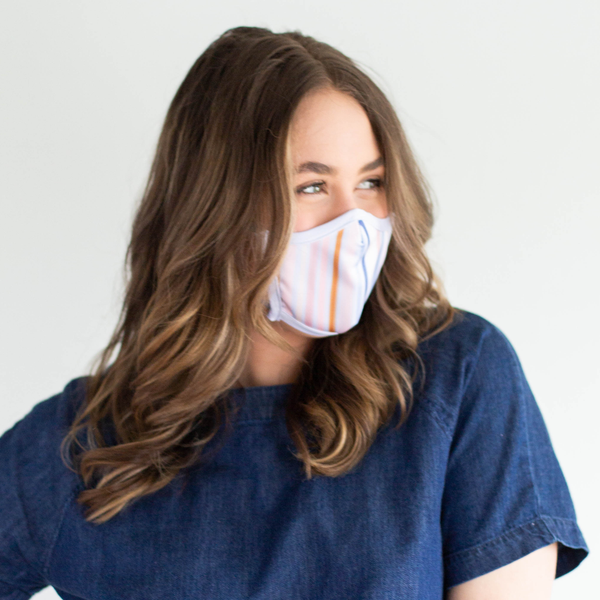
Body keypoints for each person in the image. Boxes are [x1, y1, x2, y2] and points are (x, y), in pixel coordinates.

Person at [0, 25, 588, 600]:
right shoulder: (85, 444)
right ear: (214, 206)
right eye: (310, 186)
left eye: (371, 182)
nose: (352, 222)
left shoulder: (456, 378)